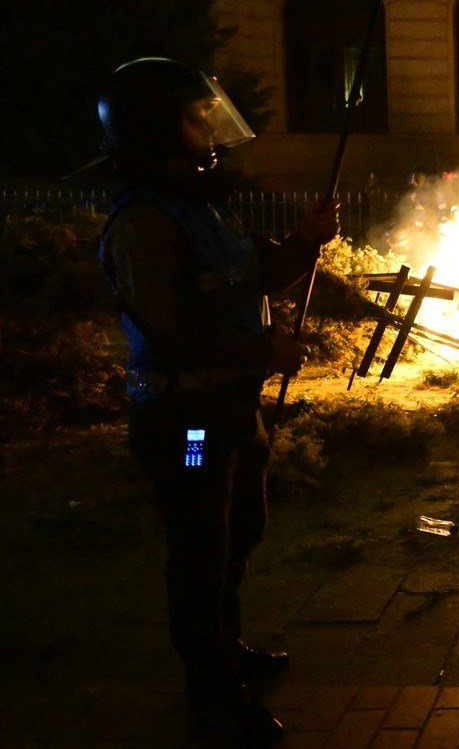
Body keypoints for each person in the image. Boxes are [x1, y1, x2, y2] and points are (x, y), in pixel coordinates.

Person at [97, 58, 339, 745]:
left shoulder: (204, 208)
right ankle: (211, 693)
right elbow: (170, 331)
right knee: (201, 552)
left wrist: (304, 241)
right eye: (192, 118)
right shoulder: (144, 224)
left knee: (240, 534)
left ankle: (227, 651)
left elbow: (256, 270)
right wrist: (262, 352)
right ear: (155, 130)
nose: (207, 130)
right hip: (186, 424)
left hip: (232, 410)